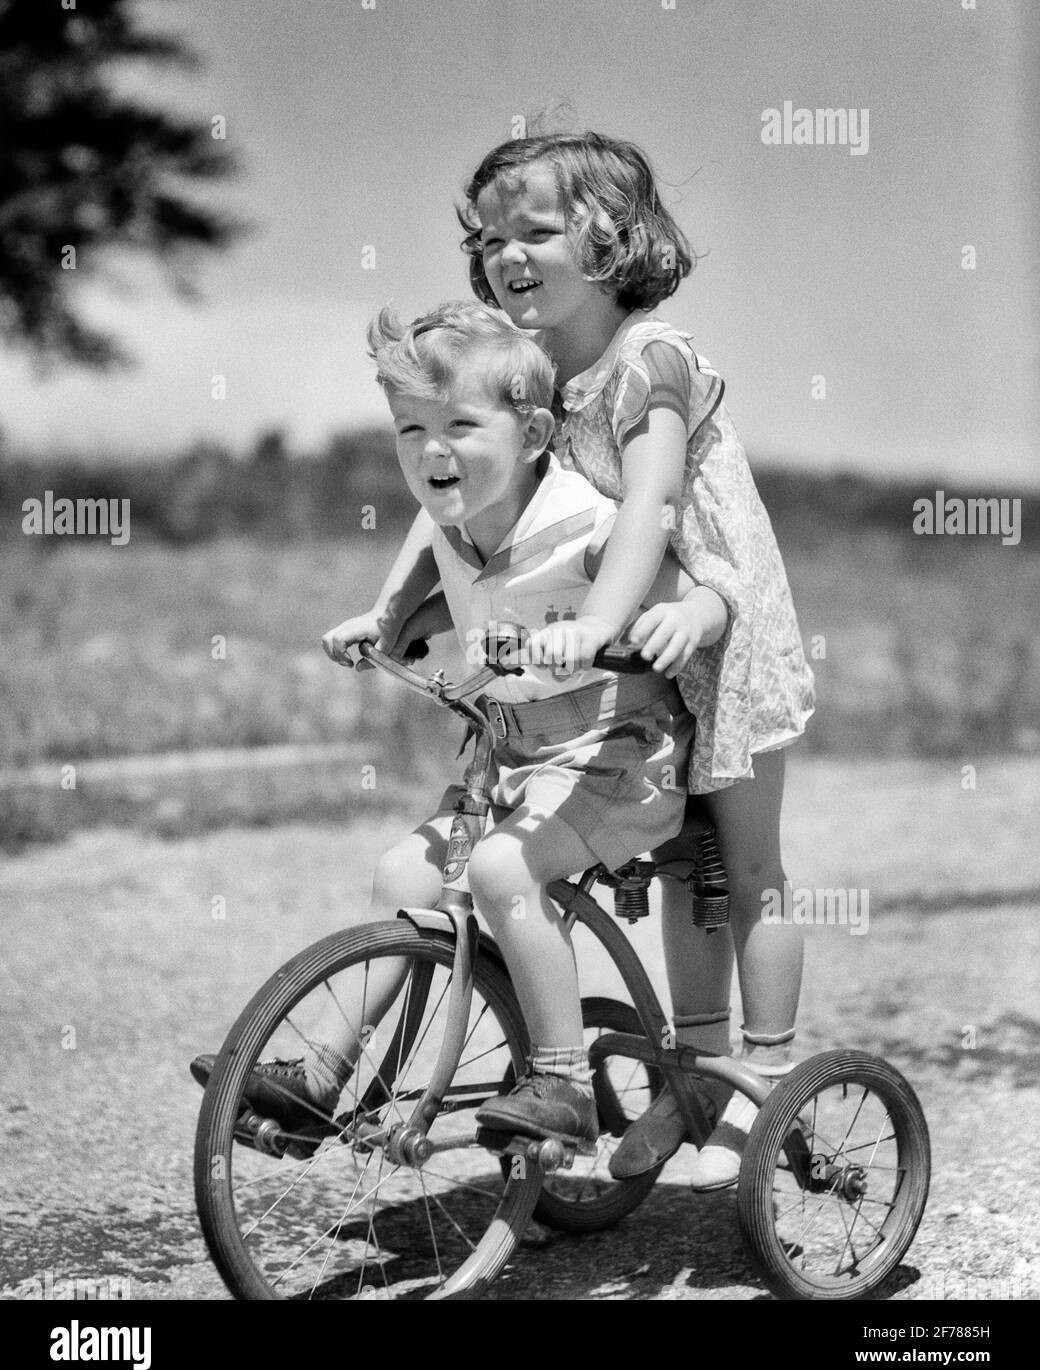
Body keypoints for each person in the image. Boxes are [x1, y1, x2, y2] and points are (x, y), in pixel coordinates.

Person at [194, 300, 721, 1145]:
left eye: (460, 426)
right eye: (409, 430)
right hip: (514, 755)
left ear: (536, 432)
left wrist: (645, 624)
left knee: (504, 875)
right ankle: (321, 1077)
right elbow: (448, 571)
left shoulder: (582, 521)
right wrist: (386, 618)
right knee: (404, 873)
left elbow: (682, 588)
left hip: (619, 755)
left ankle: (561, 1086)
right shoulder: (456, 520)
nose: (432, 452)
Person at [447, 130, 817, 1187]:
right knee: (678, 873)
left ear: (609, 240)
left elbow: (653, 505)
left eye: (534, 230)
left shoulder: (648, 358)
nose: (504, 254)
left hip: (719, 625)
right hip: (635, 643)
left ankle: (763, 1081)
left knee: (744, 871)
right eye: (487, 237)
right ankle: (690, 1080)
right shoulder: (530, 380)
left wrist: (596, 620)